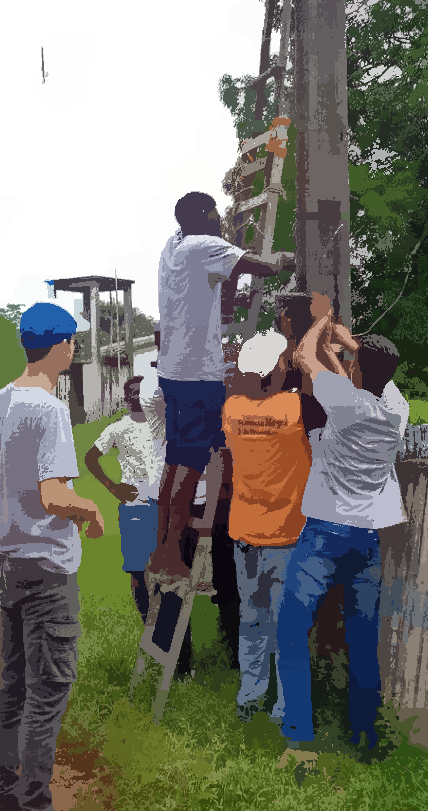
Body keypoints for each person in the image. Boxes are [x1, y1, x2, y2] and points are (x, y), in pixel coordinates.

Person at [0, 302, 106, 811]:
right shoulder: (49, 408)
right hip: (48, 569)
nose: (73, 352)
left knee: (15, 686)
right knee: (46, 696)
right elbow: (54, 495)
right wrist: (91, 510)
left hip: (9, 562)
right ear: (62, 347)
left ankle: (6, 807)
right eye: (73, 343)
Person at [276, 301, 409, 750]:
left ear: (355, 366)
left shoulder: (345, 402)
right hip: (367, 537)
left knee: (292, 628)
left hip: (324, 534)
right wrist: (354, 346)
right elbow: (357, 372)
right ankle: (365, 732)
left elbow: (306, 357)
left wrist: (322, 318)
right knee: (362, 634)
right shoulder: (395, 407)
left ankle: (298, 736)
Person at [149, 191, 295, 583]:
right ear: (202, 215)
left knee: (175, 461)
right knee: (191, 466)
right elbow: (263, 267)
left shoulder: (174, 245)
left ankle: (160, 550)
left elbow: (222, 282)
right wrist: (286, 259)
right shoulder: (205, 246)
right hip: (198, 374)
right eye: (213, 211)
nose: (218, 217)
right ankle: (170, 555)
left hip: (173, 371)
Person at [222, 330, 327, 722]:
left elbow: (240, 382)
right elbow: (328, 395)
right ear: (278, 368)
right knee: (289, 627)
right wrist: (306, 358)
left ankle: (250, 698)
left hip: (244, 533)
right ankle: (285, 707)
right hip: (288, 535)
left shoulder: (231, 409)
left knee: (252, 619)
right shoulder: (299, 408)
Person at [84, 375, 165, 624]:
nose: (134, 397)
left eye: (139, 392)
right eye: (130, 393)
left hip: (163, 505)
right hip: (133, 506)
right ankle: (147, 623)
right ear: (126, 397)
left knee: (164, 568)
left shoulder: (162, 423)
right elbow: (90, 458)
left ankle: (165, 623)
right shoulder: (118, 427)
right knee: (137, 569)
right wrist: (112, 487)